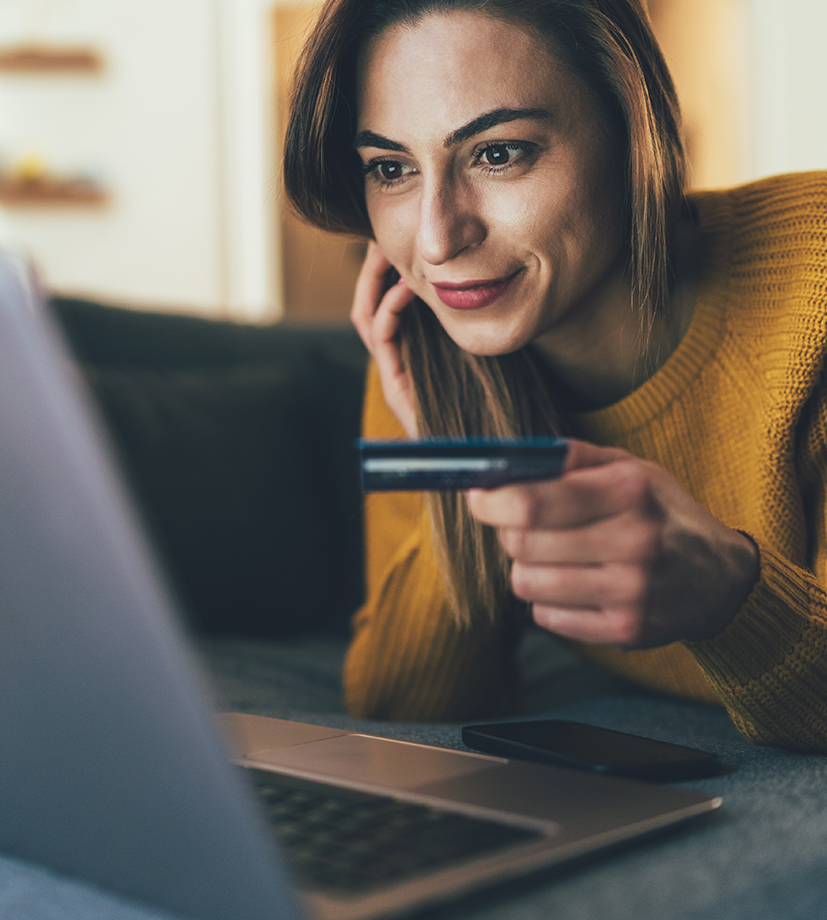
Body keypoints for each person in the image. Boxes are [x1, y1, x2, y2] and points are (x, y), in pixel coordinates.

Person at [283, 0, 827, 751]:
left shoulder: (816, 282)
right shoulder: (430, 351)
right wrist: (462, 458)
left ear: (633, 133)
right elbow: (402, 704)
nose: (439, 240)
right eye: (392, 168)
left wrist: (729, 596)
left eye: (498, 153)